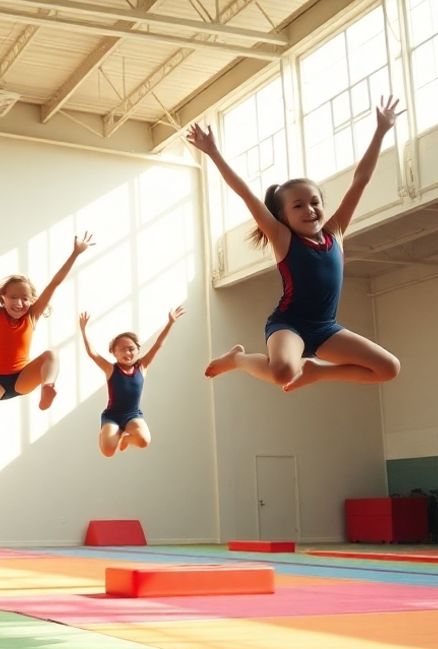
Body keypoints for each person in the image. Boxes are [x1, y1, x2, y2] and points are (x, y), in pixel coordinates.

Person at [191, 97, 402, 392]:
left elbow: (360, 181)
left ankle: (316, 370)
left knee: (387, 368)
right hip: (288, 325)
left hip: (326, 328)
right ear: (282, 216)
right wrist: (213, 152)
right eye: (298, 206)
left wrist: (381, 132)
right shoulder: (283, 238)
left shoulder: (335, 232)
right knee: (283, 372)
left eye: (315, 202)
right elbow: (246, 194)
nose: (310, 210)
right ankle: (238, 360)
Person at [0, 222, 94, 461]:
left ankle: (47, 386)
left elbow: (54, 284)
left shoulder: (33, 316)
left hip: (22, 378)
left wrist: (75, 253)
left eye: (25, 299)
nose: (19, 304)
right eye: (13, 298)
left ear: (32, 300)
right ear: (3, 298)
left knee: (51, 355)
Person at [78, 306, 184, 457]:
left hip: (132, 415)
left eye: (131, 349)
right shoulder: (111, 369)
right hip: (112, 416)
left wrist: (170, 323)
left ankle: (126, 439)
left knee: (144, 441)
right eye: (121, 349)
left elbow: (158, 345)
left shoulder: (142, 366)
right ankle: (105, 435)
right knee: (108, 451)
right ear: (113, 352)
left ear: (137, 350)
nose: (127, 352)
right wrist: (83, 330)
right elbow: (92, 353)